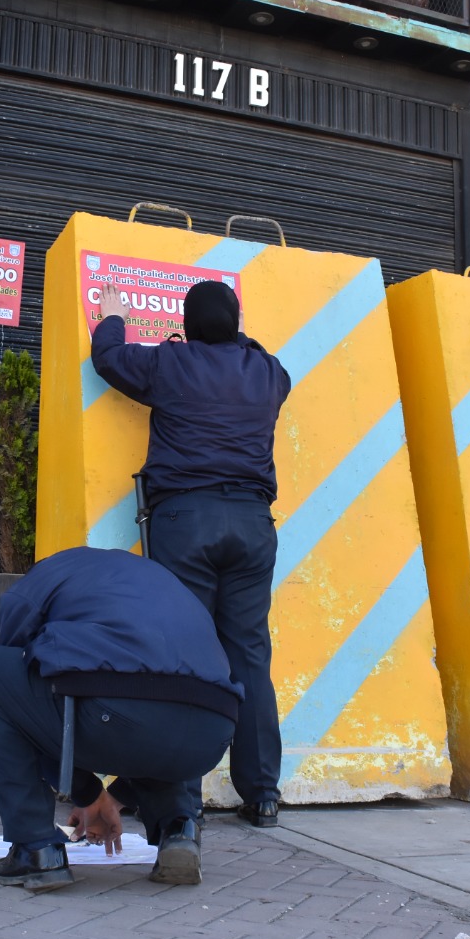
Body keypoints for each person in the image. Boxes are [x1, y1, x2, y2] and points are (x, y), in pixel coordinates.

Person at [91, 279, 292, 828]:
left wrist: (113, 316)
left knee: (183, 655)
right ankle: (263, 794)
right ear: (236, 322)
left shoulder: (170, 365)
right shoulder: (269, 374)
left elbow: (108, 359)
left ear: (189, 323)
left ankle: (182, 799)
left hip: (186, 521)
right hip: (252, 525)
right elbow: (257, 355)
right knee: (249, 657)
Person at [0, 546, 242, 890]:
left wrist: (84, 790)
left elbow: (22, 693)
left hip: (121, 716)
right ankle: (179, 829)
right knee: (164, 694)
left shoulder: (45, 577)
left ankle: (35, 849)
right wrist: (110, 796)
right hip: (212, 735)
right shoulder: (159, 580)